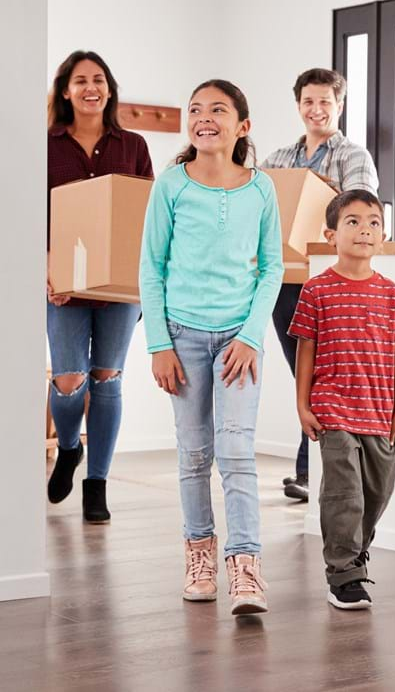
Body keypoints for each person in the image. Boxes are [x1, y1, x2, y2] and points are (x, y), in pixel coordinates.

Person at [139, 80, 283, 615]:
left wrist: (249, 336)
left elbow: (272, 269)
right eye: (195, 110)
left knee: (237, 451)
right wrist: (159, 343)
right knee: (194, 454)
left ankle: (245, 569)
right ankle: (199, 557)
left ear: (241, 126)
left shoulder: (261, 188)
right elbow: (150, 268)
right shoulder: (171, 185)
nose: (203, 117)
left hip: (239, 342)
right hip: (183, 337)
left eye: (217, 110)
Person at [288, 190, 395, 610]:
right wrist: (303, 405)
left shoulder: (392, 294)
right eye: (353, 221)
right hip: (333, 406)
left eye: (373, 222)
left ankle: (356, 552)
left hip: (379, 411)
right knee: (345, 494)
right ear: (331, 234)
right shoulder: (316, 290)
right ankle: (344, 575)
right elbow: (306, 349)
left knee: (377, 491)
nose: (364, 230)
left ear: (384, 236)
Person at [262, 68, 379, 501]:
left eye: (325, 102)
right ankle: (316, 470)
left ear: (339, 105)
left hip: (332, 280)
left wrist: (325, 194)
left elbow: (362, 212)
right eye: (308, 102)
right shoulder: (277, 159)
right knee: (306, 374)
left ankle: (312, 472)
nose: (316, 110)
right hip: (287, 280)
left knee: (325, 374)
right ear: (298, 106)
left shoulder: (353, 157)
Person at [47, 51, 153, 523]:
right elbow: (27, 214)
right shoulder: (44, 145)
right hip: (64, 287)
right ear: (65, 91)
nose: (91, 87)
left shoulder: (132, 144)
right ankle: (69, 448)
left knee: (106, 378)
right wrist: (47, 269)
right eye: (80, 80)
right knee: (69, 381)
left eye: (99, 80)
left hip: (119, 288)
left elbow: (146, 212)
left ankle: (97, 483)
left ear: (109, 89)